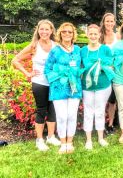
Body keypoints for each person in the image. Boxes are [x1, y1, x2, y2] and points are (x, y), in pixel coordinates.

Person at [12, 19, 60, 151]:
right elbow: (15, 60)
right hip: (39, 82)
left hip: (54, 82)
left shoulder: (56, 45)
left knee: (53, 109)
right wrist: (27, 73)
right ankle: (39, 140)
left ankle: (51, 137)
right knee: (41, 110)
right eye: (42, 29)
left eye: (47, 29)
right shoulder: (34, 46)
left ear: (51, 31)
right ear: (38, 31)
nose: (44, 32)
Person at [45, 22, 82, 154]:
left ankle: (70, 142)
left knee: (72, 115)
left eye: (70, 32)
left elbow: (81, 66)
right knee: (61, 116)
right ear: (60, 33)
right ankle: (63, 143)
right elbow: (47, 68)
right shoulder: (55, 50)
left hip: (74, 87)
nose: (67, 34)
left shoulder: (77, 50)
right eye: (64, 31)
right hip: (58, 87)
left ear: (73, 34)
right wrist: (57, 77)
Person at [81, 24, 114, 149]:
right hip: (87, 86)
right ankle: (88, 140)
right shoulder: (83, 50)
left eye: (96, 34)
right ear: (87, 35)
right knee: (88, 111)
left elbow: (111, 65)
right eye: (91, 34)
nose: (93, 36)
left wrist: (101, 66)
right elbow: (80, 67)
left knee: (100, 111)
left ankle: (100, 138)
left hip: (103, 85)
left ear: (99, 35)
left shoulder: (105, 49)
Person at [99, 13, 119, 135]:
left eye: (112, 21)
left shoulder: (118, 37)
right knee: (101, 100)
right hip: (101, 72)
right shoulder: (99, 36)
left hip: (114, 72)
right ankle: (100, 124)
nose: (109, 24)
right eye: (107, 21)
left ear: (114, 23)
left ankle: (110, 124)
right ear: (103, 22)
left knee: (112, 100)